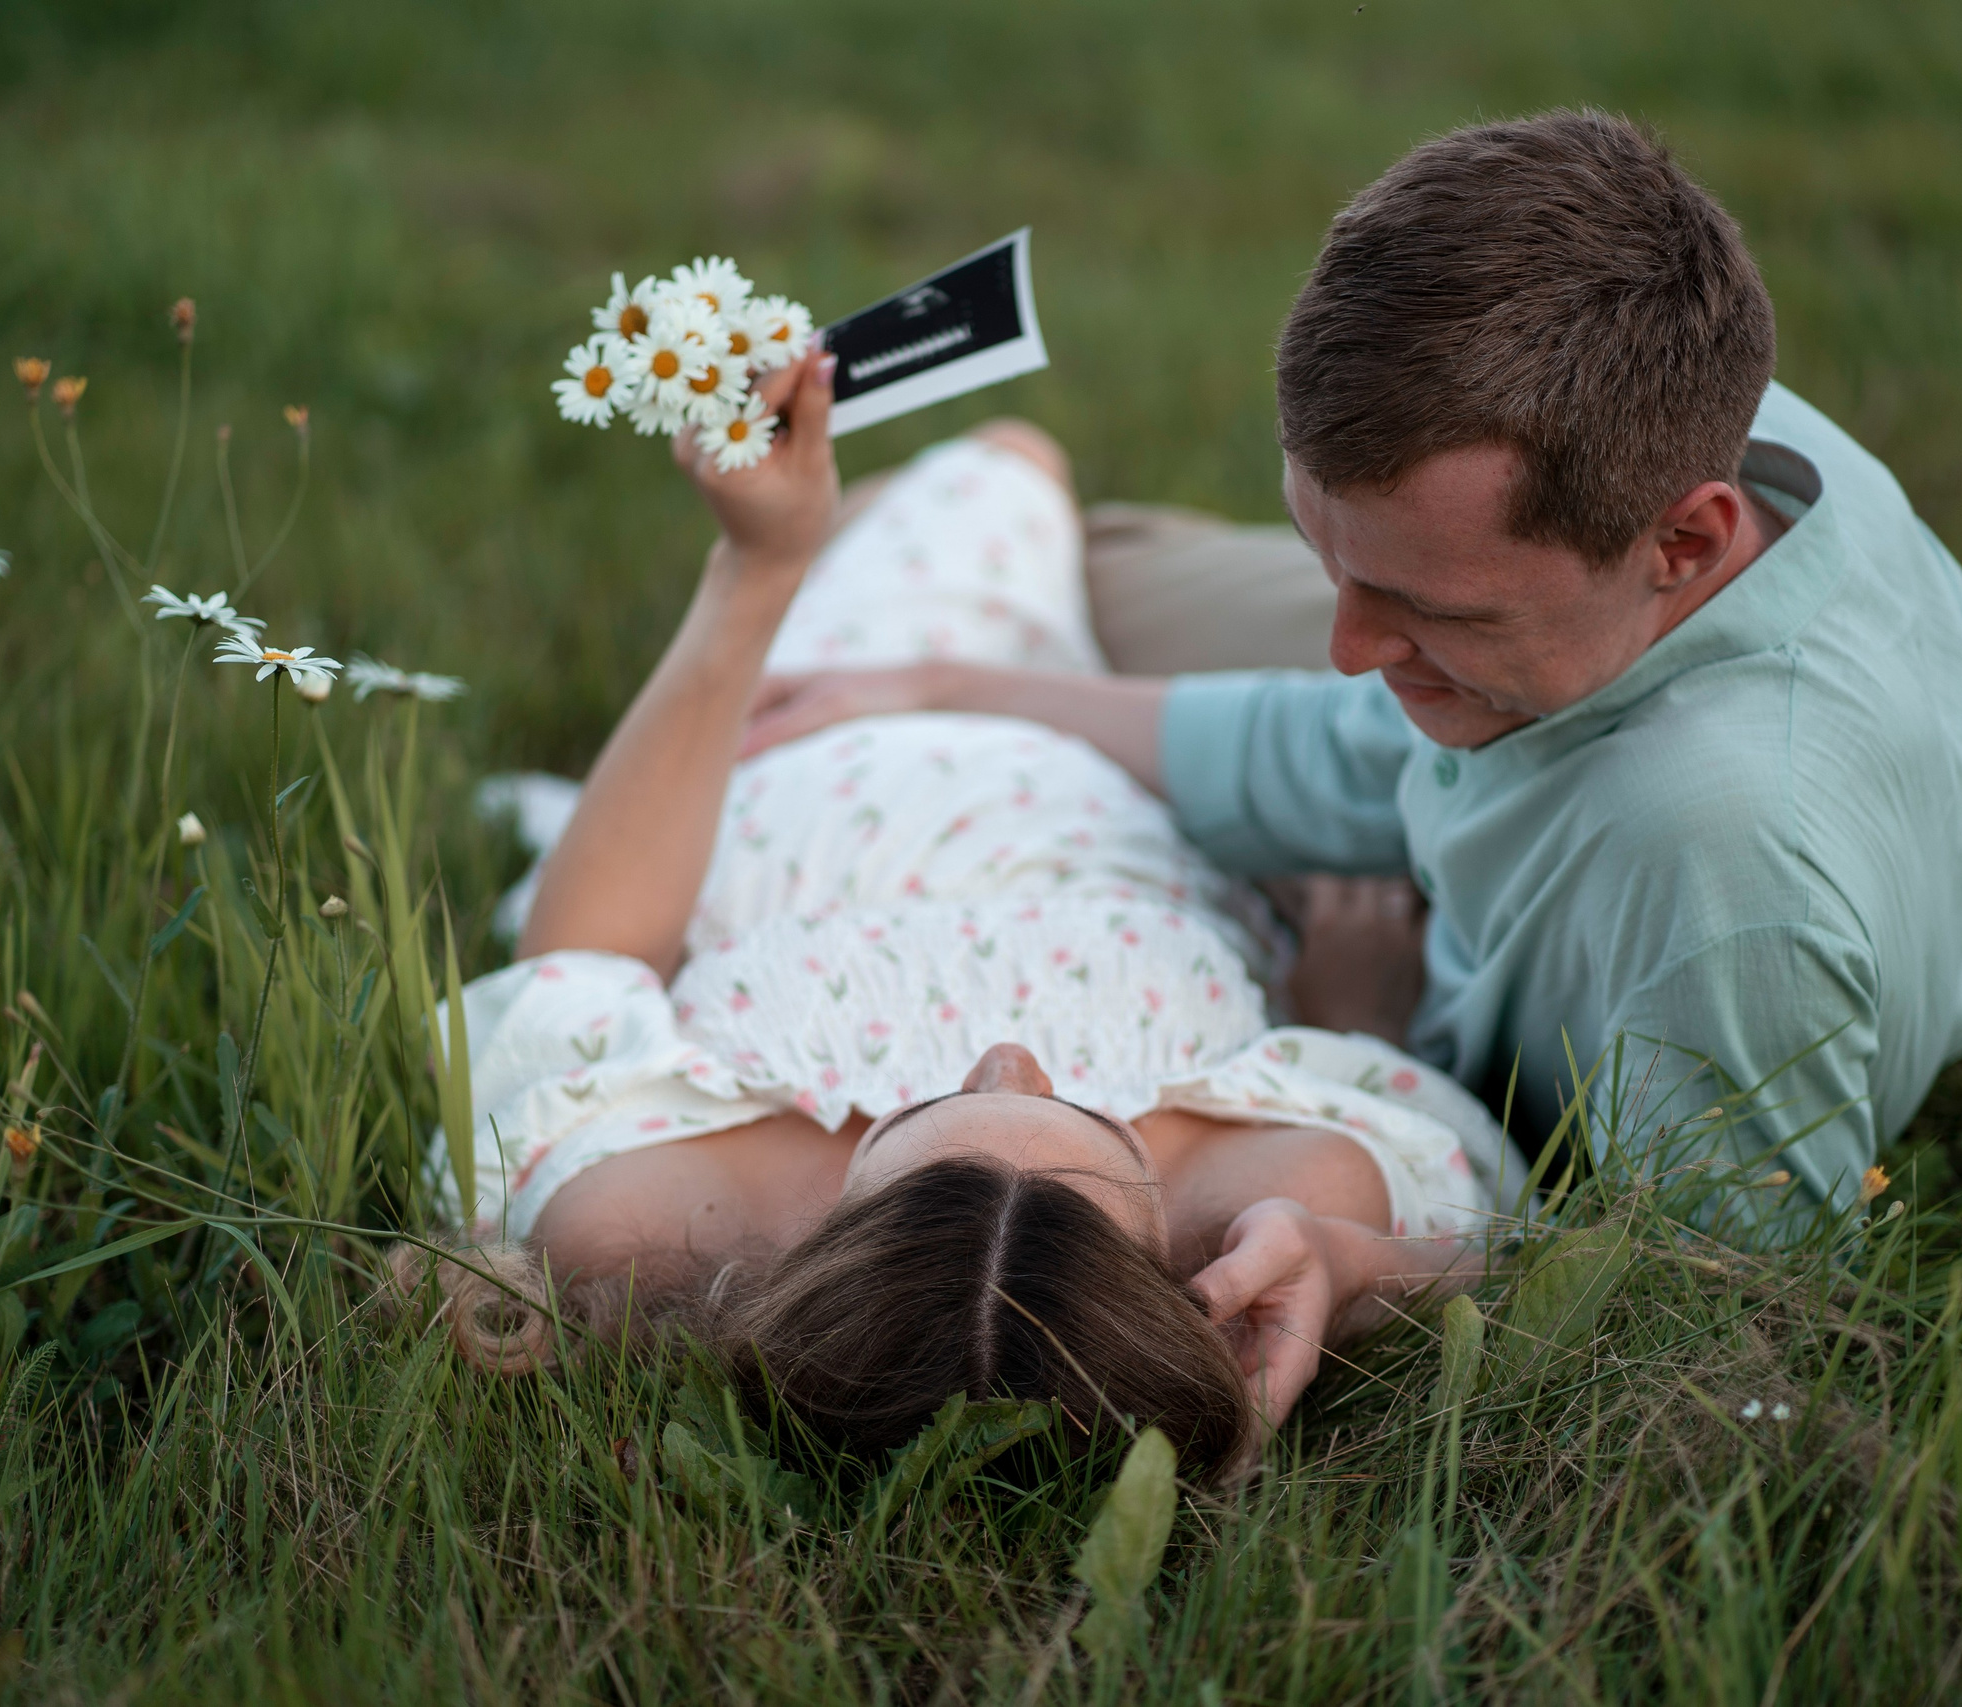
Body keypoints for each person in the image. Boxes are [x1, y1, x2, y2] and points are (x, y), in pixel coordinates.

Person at [744, 111, 1962, 1224]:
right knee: (1023, 552)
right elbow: (1354, 739)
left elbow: (1703, 1305)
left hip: (1643, 935)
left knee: (976, 557)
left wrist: (1361, 1041)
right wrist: (959, 687)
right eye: (1326, 555)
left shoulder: (1715, 875)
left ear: (1683, 541)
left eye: (1418, 605)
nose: (1345, 651)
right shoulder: (1706, 428)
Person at [420, 349, 1535, 1481]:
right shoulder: (1273, 1199)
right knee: (1028, 471)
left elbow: (579, 961)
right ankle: (953, 564)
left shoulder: (650, 1217)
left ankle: (844, 562)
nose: (1007, 1055)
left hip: (812, 748)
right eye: (1097, 1123)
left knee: (1004, 463)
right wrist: (1347, 1016)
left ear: (825, 1249)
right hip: (1114, 774)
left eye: (924, 1106)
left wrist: (755, 569)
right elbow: (1504, 1236)